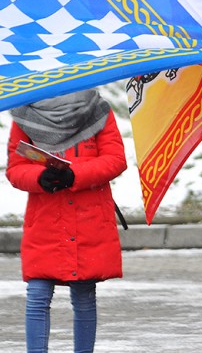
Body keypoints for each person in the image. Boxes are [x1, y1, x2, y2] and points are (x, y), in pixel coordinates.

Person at [5, 89, 128, 353]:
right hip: (47, 219)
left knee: (84, 295)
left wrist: (76, 174)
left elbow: (115, 160)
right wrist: (39, 178)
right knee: (37, 294)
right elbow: (16, 169)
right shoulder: (25, 115)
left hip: (89, 219)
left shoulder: (98, 111)